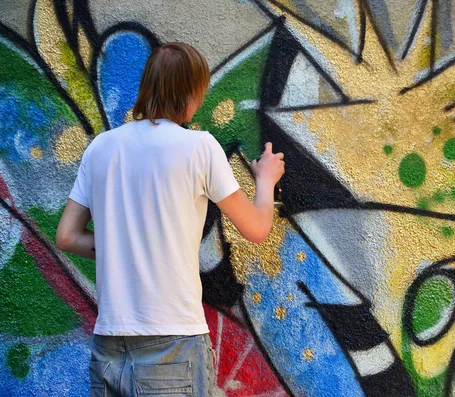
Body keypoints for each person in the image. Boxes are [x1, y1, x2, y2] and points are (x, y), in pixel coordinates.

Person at [56, 42, 285, 396]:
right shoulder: (199, 148)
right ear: (193, 92)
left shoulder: (101, 147)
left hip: (109, 342)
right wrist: (266, 181)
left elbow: (68, 237)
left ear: (148, 86)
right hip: (172, 340)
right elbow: (256, 228)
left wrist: (123, 251)